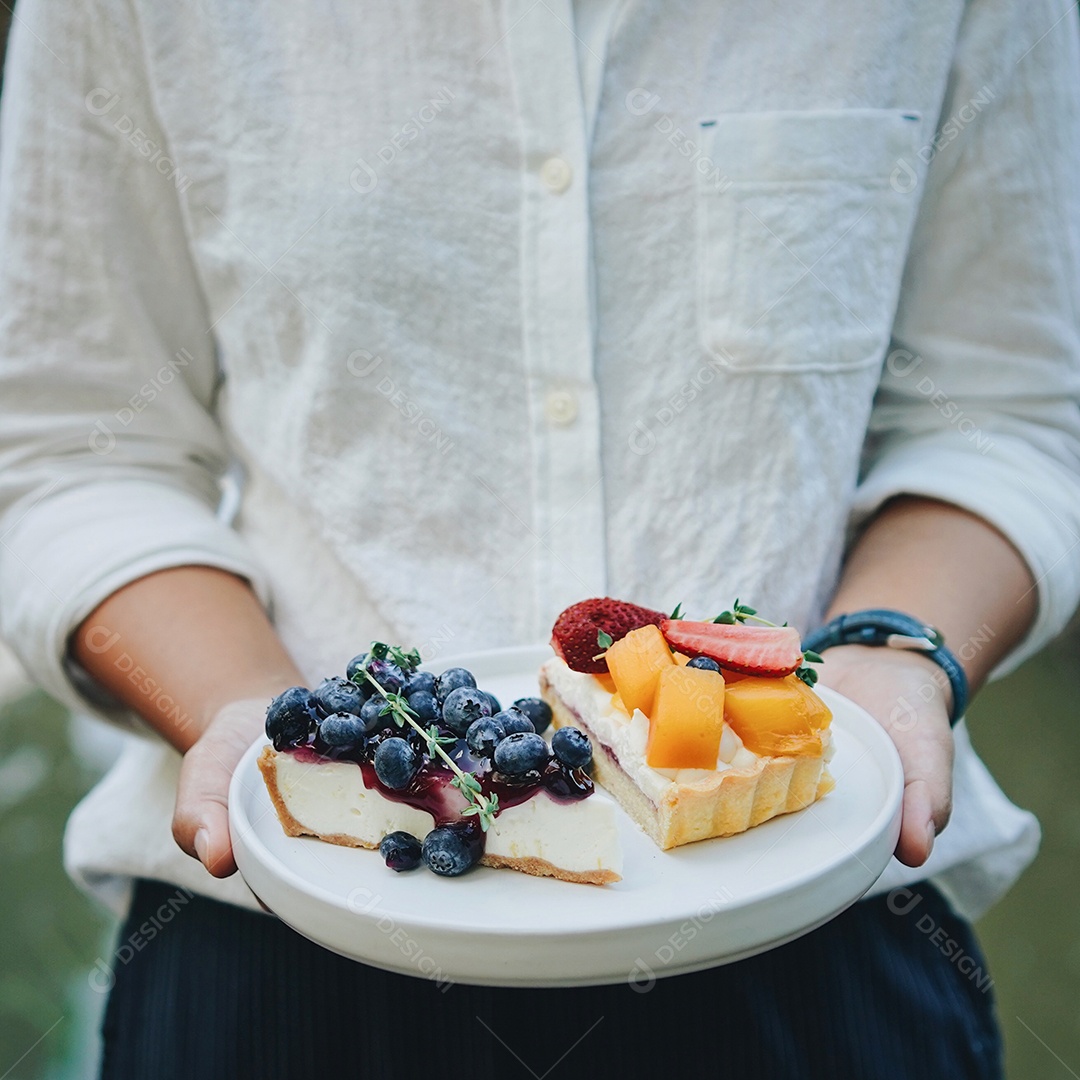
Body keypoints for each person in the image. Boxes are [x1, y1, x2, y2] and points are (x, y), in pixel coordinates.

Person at [1, 0, 1078, 1076]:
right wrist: (255, 718)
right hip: (281, 949)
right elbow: (75, 451)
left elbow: (1010, 416)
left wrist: (893, 661)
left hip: (816, 920)